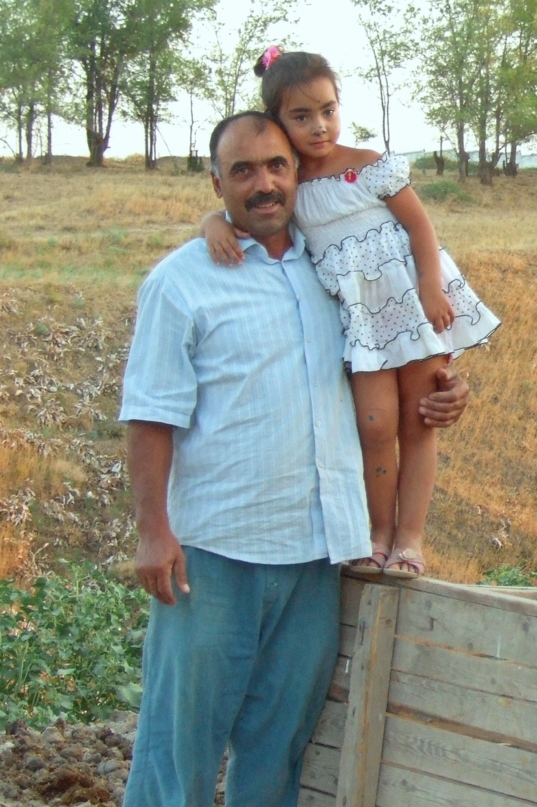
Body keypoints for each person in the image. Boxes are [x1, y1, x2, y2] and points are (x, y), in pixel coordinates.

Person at [119, 111, 469, 807]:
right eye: (243, 172)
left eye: (276, 167)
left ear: (298, 174)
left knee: (280, 730)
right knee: (182, 725)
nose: (265, 184)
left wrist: (443, 397)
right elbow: (149, 414)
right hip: (215, 546)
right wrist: (153, 531)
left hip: (320, 547)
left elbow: (400, 355)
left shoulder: (333, 270)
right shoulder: (183, 281)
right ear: (217, 184)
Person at [202, 47, 498, 578]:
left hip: (412, 303)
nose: (319, 126)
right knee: (374, 423)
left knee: (419, 420)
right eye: (301, 116)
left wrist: (431, 284)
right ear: (278, 122)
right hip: (362, 322)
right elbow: (250, 213)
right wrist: (212, 221)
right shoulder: (289, 184)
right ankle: (375, 532)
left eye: (328, 110)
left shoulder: (368, 167)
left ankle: (409, 539)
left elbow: (420, 226)